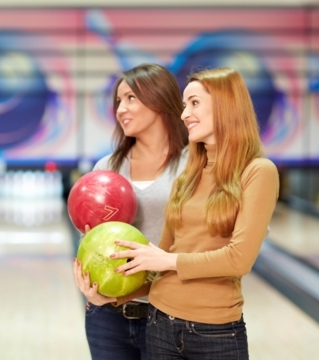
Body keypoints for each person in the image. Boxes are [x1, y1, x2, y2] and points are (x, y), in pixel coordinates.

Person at [111, 67, 280, 360]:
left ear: (226, 105)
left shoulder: (258, 172)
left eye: (194, 103)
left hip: (215, 333)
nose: (183, 114)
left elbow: (239, 259)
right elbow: (159, 264)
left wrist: (168, 260)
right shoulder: (186, 177)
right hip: (160, 324)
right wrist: (112, 295)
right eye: (184, 104)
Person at [73, 63, 189, 360]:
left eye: (131, 98)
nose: (120, 108)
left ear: (160, 100)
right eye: (118, 101)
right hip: (108, 315)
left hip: (170, 313)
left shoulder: (194, 164)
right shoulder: (106, 168)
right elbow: (92, 239)